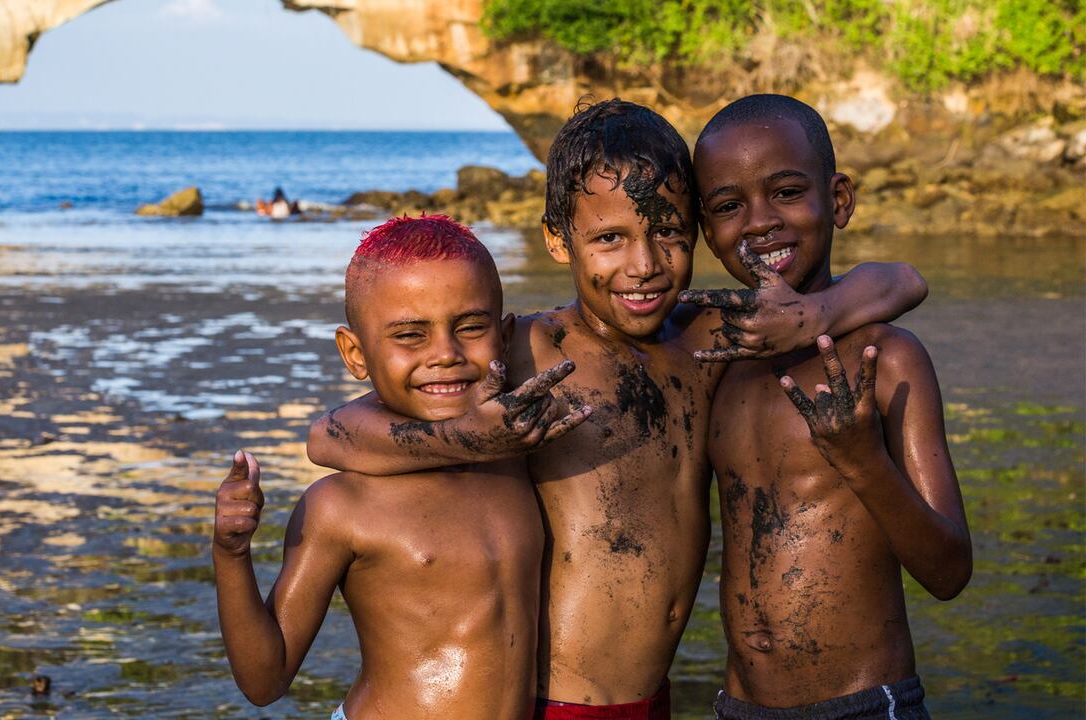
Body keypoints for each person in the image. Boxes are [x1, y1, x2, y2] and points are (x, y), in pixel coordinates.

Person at [306, 99, 929, 719]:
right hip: (557, 700)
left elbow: (901, 281)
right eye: (610, 239)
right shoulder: (530, 349)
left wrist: (817, 314)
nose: (644, 266)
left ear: (698, 232)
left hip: (653, 698)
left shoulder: (706, 340)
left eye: (668, 234)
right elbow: (332, 436)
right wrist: (468, 438)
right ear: (557, 239)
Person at [213, 215, 585, 719]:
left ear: (503, 334)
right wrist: (231, 553)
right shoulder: (341, 506)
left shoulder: (516, 457)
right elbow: (264, 679)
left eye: (470, 327)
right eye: (410, 335)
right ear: (354, 352)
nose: (445, 355)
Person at [689, 94, 971, 720]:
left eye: (787, 192)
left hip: (865, 705)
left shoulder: (887, 359)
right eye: (729, 207)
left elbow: (950, 571)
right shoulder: (717, 358)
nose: (760, 223)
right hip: (739, 706)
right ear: (707, 230)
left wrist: (862, 461)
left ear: (838, 200)